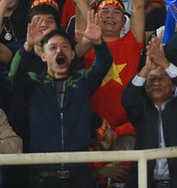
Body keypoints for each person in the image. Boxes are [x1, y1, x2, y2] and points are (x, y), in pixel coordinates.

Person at [12, 13, 110, 187]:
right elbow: (15, 76)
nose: (59, 51)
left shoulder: (82, 82)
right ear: (43, 56)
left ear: (72, 55)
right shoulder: (34, 85)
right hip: (43, 179)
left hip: (80, 178)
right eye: (53, 47)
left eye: (65, 46)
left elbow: (103, 65)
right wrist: (27, 47)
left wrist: (98, 42)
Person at [122, 36, 177, 188]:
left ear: (173, 86)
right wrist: (146, 68)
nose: (156, 83)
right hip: (146, 182)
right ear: (145, 86)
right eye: (152, 79)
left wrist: (165, 63)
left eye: (162, 78)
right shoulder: (141, 109)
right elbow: (127, 99)